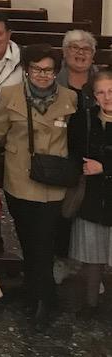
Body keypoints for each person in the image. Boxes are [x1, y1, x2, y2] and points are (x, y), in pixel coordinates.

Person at [0, 44, 76, 328]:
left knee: (44, 241)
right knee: (28, 239)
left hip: (53, 184)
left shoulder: (70, 99)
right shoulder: (10, 95)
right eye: (36, 69)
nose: (42, 75)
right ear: (27, 70)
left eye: (48, 70)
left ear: (56, 71)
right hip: (20, 180)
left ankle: (45, 299)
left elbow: (78, 140)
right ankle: (34, 288)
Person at [67, 69, 112, 317]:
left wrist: (104, 168)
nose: (107, 97)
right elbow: (74, 153)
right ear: (94, 97)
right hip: (93, 200)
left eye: (111, 91)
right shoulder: (84, 120)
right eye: (101, 93)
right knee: (93, 257)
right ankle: (91, 304)